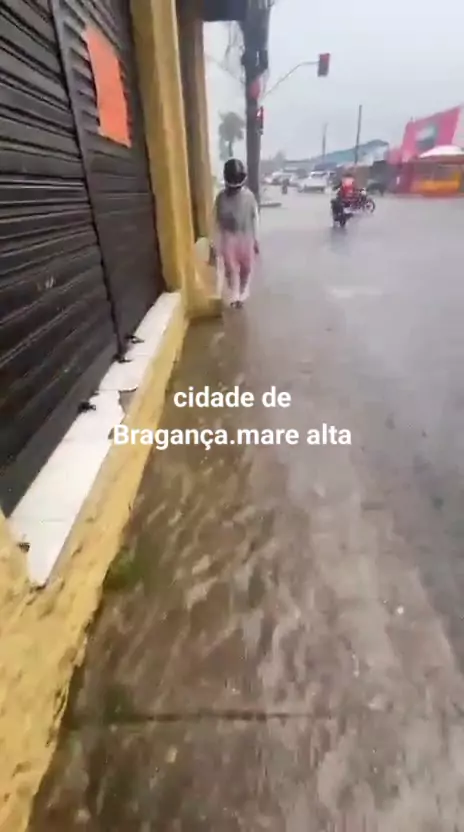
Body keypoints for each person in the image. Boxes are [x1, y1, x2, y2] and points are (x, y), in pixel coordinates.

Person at [213, 158, 260, 308]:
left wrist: (256, 240)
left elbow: (255, 218)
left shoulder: (249, 197)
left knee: (246, 268)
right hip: (228, 238)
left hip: (246, 237)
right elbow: (216, 221)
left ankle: (242, 292)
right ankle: (234, 296)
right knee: (231, 268)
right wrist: (215, 243)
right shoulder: (221, 198)